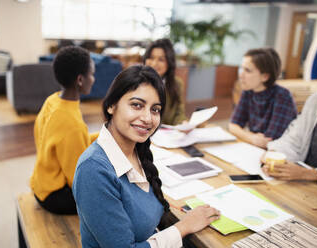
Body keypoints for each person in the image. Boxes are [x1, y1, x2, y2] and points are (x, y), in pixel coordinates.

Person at [73, 65, 220, 247]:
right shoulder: (93, 170)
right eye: (137, 105)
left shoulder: (137, 151)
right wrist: (184, 227)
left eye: (155, 109)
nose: (148, 118)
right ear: (112, 105)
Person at [30, 46, 98, 214]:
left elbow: (63, 140)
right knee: (110, 192)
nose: (94, 79)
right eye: (92, 74)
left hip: (41, 183)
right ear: (80, 80)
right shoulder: (72, 123)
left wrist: (104, 135)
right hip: (55, 196)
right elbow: (78, 179)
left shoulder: (52, 101)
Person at [262, 63, 317, 185]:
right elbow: (294, 138)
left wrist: (308, 174)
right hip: (304, 182)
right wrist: (274, 154)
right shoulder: (315, 101)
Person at [229, 48, 297, 148]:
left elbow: (269, 140)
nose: (241, 74)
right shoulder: (248, 91)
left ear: (265, 77)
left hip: (279, 153)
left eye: (247, 70)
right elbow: (233, 125)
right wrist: (251, 137)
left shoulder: (282, 96)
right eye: (241, 68)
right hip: (256, 148)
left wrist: (247, 136)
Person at [143, 38, 187, 125]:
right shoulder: (135, 82)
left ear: (169, 63)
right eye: (151, 58)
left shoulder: (177, 84)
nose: (154, 63)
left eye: (161, 60)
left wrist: (183, 123)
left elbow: (179, 113)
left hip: (166, 135)